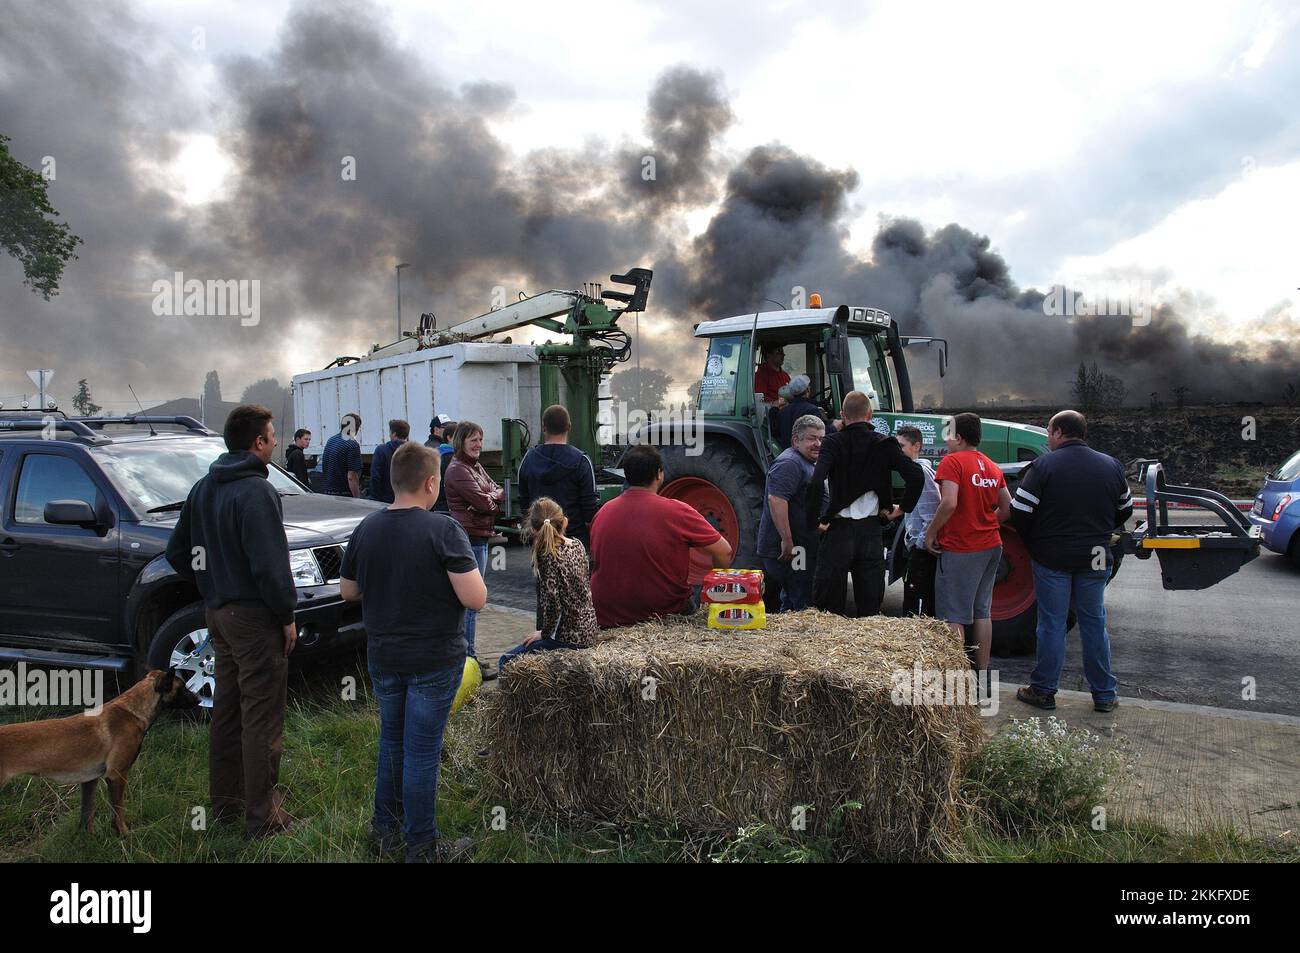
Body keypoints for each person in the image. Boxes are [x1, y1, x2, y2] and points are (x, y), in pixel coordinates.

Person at [340, 442, 485, 862]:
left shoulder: (367, 527)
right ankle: (422, 846)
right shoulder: (443, 530)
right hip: (433, 660)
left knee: (392, 743)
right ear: (430, 483)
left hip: (385, 656)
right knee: (422, 752)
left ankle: (384, 830)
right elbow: (475, 599)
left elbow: (348, 590)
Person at [164, 404, 300, 838]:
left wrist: (210, 578)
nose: (276, 443)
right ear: (258, 443)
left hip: (217, 614)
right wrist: (286, 616)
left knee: (226, 710)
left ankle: (225, 805)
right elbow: (270, 567)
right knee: (261, 716)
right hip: (254, 618)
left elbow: (176, 553)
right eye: (271, 437)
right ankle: (264, 817)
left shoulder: (204, 487)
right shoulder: (257, 492)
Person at [1011, 410, 1132, 713]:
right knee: (1094, 624)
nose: (1048, 437)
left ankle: (1043, 690)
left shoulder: (1042, 466)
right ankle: (1104, 695)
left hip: (1053, 557)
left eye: (1049, 431)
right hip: (1096, 556)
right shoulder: (1111, 465)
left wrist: (1035, 542)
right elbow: (1125, 510)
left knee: (1051, 624)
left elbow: (1020, 512)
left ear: (1059, 433)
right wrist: (1101, 529)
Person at [805, 391, 923, 617]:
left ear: (842, 415)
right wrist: (901, 510)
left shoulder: (832, 442)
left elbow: (816, 482)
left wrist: (814, 522)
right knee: (870, 611)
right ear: (870, 414)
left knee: (829, 610)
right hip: (870, 532)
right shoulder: (885, 443)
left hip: (838, 532)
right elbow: (916, 476)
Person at [590, 444, 732, 627]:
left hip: (607, 615)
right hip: (663, 613)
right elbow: (724, 551)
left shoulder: (603, 513)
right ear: (659, 474)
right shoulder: (677, 511)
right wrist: (717, 592)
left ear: (626, 475)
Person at [923, 412, 1012, 672]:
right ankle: (981, 675)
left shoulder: (952, 462)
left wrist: (931, 533)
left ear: (959, 438)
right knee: (982, 612)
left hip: (962, 547)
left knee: (953, 615)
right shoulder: (992, 466)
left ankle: (955, 679)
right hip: (991, 545)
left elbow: (949, 502)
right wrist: (983, 521)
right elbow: (1006, 509)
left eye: (948, 435)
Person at [498, 498, 599, 670]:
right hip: (589, 631)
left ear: (534, 529)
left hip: (567, 637)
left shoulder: (547, 556)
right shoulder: (578, 545)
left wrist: (544, 634)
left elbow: (553, 603)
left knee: (506, 661)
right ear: (564, 522)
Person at [444, 421, 503, 670]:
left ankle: (467, 656)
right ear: (461, 441)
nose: (478, 445)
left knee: (471, 602)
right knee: (471, 602)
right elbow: (485, 503)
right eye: (473, 440)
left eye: (480, 439)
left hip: (480, 535)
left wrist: (492, 495)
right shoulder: (458, 469)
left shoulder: (474, 466)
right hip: (469, 537)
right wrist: (492, 497)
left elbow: (498, 491)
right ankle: (468, 659)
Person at [757, 414, 825, 611]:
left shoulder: (805, 461)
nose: (818, 443)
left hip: (799, 546)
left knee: (794, 593)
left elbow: (800, 506)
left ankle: (788, 624)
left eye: (821, 438)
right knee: (800, 595)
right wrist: (787, 540)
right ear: (796, 441)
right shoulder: (790, 463)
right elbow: (776, 500)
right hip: (794, 550)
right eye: (812, 438)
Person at [518, 404, 600, 548]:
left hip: (541, 542)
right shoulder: (581, 461)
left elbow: (525, 505)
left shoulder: (528, 459)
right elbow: (590, 511)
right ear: (569, 427)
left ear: (544, 427)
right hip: (575, 541)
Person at [896, 425, 940, 617]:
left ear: (916, 446)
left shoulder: (921, 473)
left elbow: (932, 512)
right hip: (917, 549)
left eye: (902, 446)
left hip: (921, 552)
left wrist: (919, 545)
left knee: (917, 607)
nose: (898, 451)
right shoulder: (917, 472)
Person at [774, 374, 827, 448]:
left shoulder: (782, 412)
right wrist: (834, 427)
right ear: (807, 390)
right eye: (809, 386)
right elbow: (820, 435)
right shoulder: (812, 410)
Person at [367, 419, 410, 504]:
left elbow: (375, 476)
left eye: (390, 433)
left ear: (394, 434)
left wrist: (375, 498)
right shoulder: (414, 451)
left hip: (385, 500)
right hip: (407, 500)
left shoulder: (381, 450)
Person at [322, 413, 362, 497]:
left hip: (328, 492)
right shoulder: (352, 445)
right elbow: (351, 476)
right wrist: (357, 497)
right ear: (356, 428)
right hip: (343, 494)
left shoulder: (331, 440)